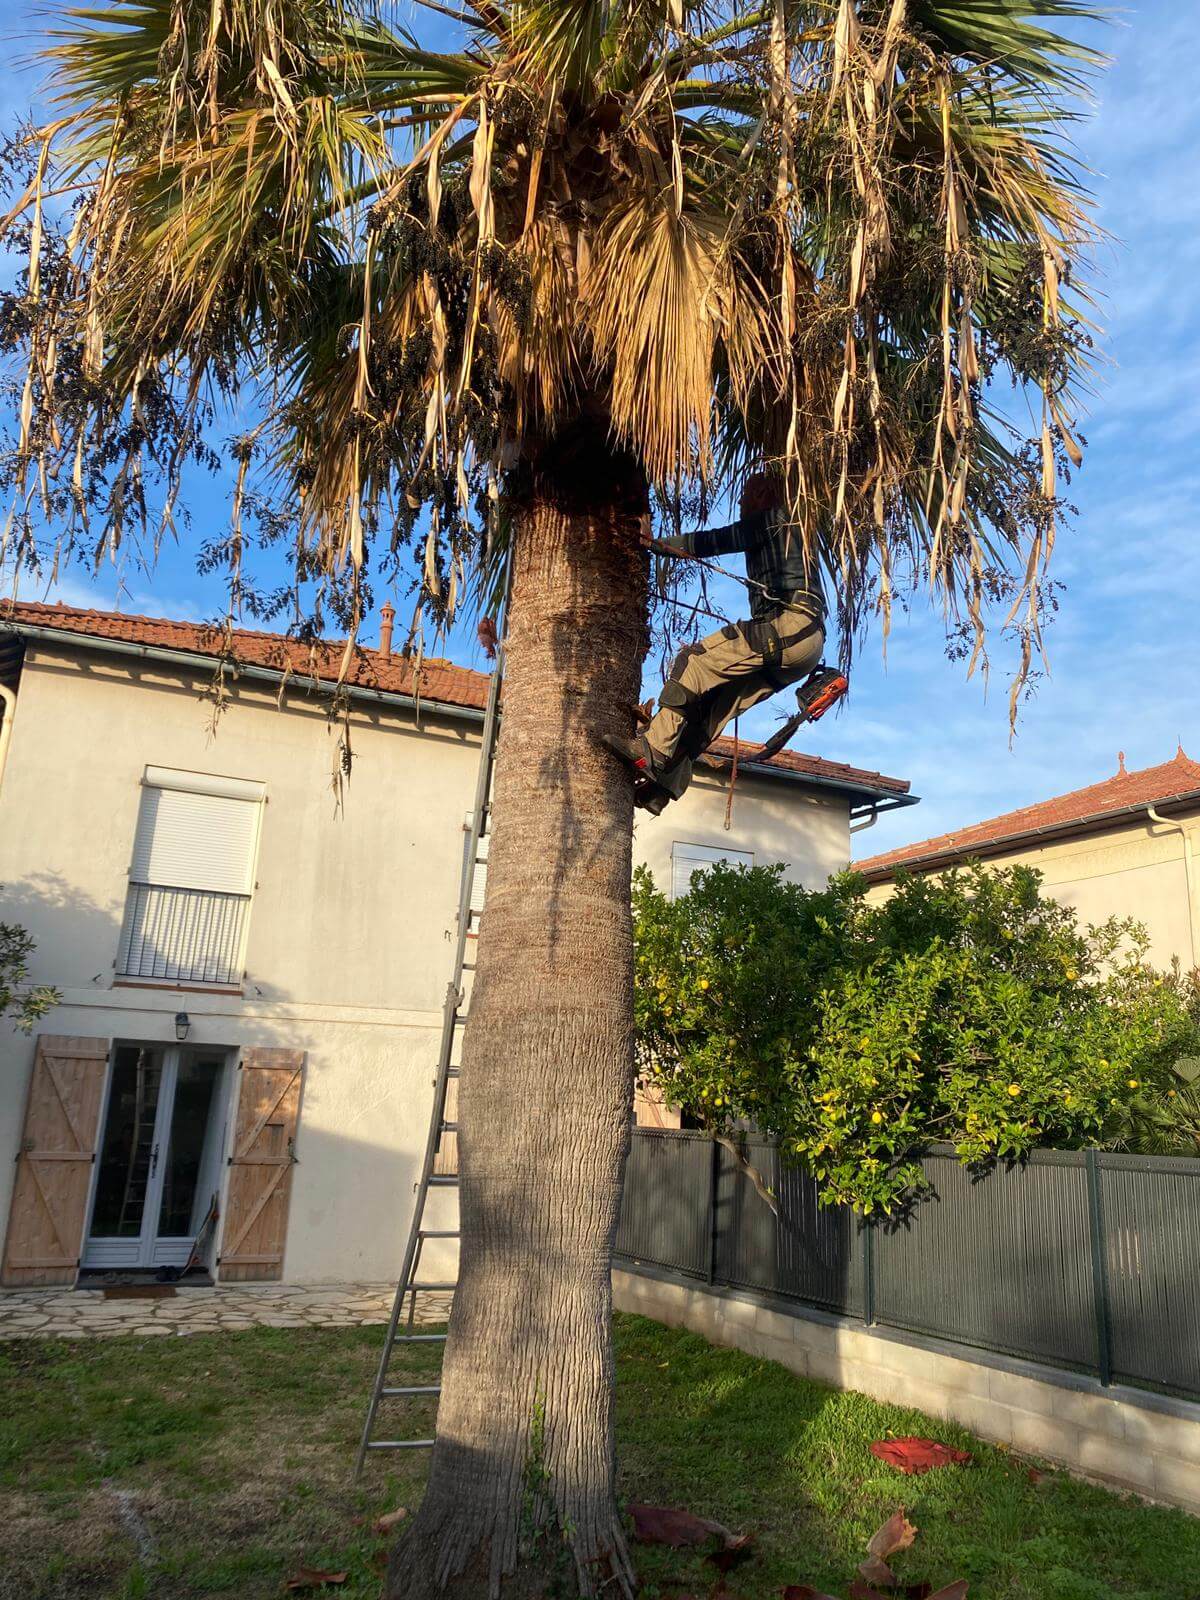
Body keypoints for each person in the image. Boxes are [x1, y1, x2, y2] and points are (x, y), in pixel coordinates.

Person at [603, 472, 844, 811]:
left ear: (762, 497)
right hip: (803, 644)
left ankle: (653, 750)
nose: (742, 504)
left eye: (746, 497)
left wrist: (655, 544)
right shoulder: (795, 531)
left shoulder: (777, 519)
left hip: (790, 624)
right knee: (711, 707)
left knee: (694, 661)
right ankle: (664, 784)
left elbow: (718, 540)